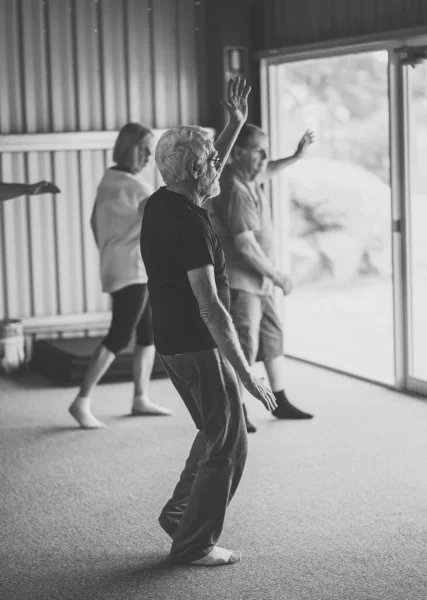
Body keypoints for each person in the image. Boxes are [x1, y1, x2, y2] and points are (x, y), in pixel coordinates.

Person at [140, 77, 277, 567]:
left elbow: (199, 167)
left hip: (172, 344)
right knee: (229, 442)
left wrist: (234, 124)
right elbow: (211, 306)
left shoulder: (165, 201)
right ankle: (195, 541)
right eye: (213, 159)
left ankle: (181, 514)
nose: (220, 162)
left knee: (212, 430)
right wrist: (246, 373)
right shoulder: (191, 223)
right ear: (197, 170)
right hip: (199, 344)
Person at [207, 123, 315, 433]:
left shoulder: (250, 176)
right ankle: (236, 409)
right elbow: (246, 246)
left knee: (271, 337)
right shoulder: (235, 188)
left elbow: (269, 169)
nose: (265, 158)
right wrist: (278, 274)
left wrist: (296, 156)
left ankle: (278, 400)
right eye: (259, 151)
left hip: (259, 281)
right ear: (238, 154)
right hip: (244, 282)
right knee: (243, 346)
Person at [69, 122, 172, 429]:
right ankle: (81, 401)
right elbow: (163, 216)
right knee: (120, 334)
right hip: (132, 268)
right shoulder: (136, 186)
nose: (148, 155)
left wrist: (109, 246)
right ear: (130, 148)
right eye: (144, 149)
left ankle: (140, 397)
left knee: (147, 333)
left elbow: (93, 220)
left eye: (150, 149)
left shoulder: (109, 179)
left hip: (122, 264)